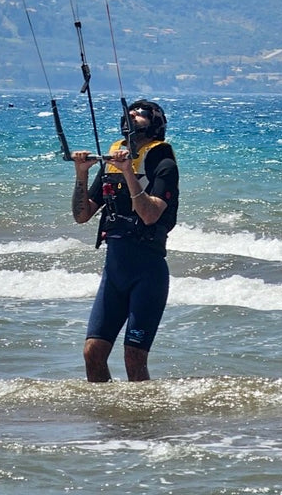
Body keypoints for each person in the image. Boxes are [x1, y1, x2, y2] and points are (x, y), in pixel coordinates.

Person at [71, 99, 179, 382]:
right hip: (114, 271)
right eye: (128, 113)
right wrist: (81, 174)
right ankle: (106, 419)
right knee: (92, 352)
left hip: (147, 271)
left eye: (140, 115)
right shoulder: (114, 159)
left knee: (133, 356)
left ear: (154, 122)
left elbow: (150, 214)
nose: (132, 117)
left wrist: (130, 172)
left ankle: (142, 423)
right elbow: (82, 215)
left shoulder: (163, 160)